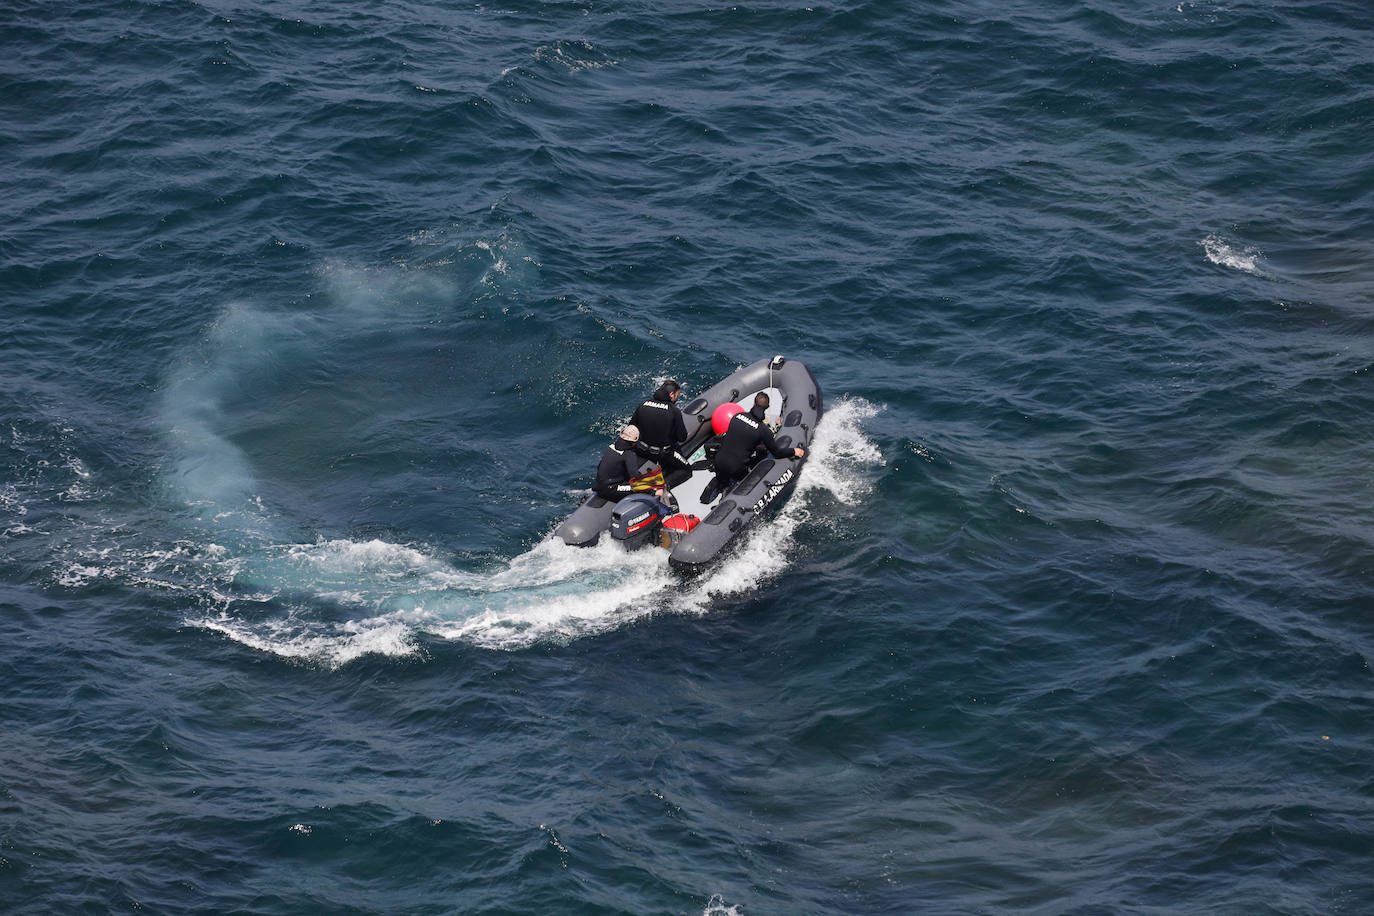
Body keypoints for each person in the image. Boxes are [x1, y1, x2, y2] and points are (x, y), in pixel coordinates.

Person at [700, 392, 805, 503]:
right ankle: (728, 493)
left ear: (754, 403)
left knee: (723, 476)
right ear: (767, 407)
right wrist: (794, 451)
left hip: (719, 461)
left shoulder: (736, 416)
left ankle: (716, 486)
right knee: (745, 472)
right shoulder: (763, 430)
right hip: (736, 469)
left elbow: (738, 438)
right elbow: (777, 453)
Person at [630, 379, 692, 487]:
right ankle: (658, 486)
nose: (677, 398)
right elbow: (682, 437)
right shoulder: (674, 410)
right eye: (677, 395)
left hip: (641, 451)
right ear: (671, 394)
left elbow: (631, 427)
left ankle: (645, 482)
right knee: (686, 470)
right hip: (662, 454)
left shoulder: (643, 405)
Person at [594, 425, 643, 502]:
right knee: (643, 485)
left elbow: (599, 467)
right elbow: (634, 476)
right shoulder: (628, 454)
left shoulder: (610, 447)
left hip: (599, 486)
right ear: (634, 442)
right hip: (611, 490)